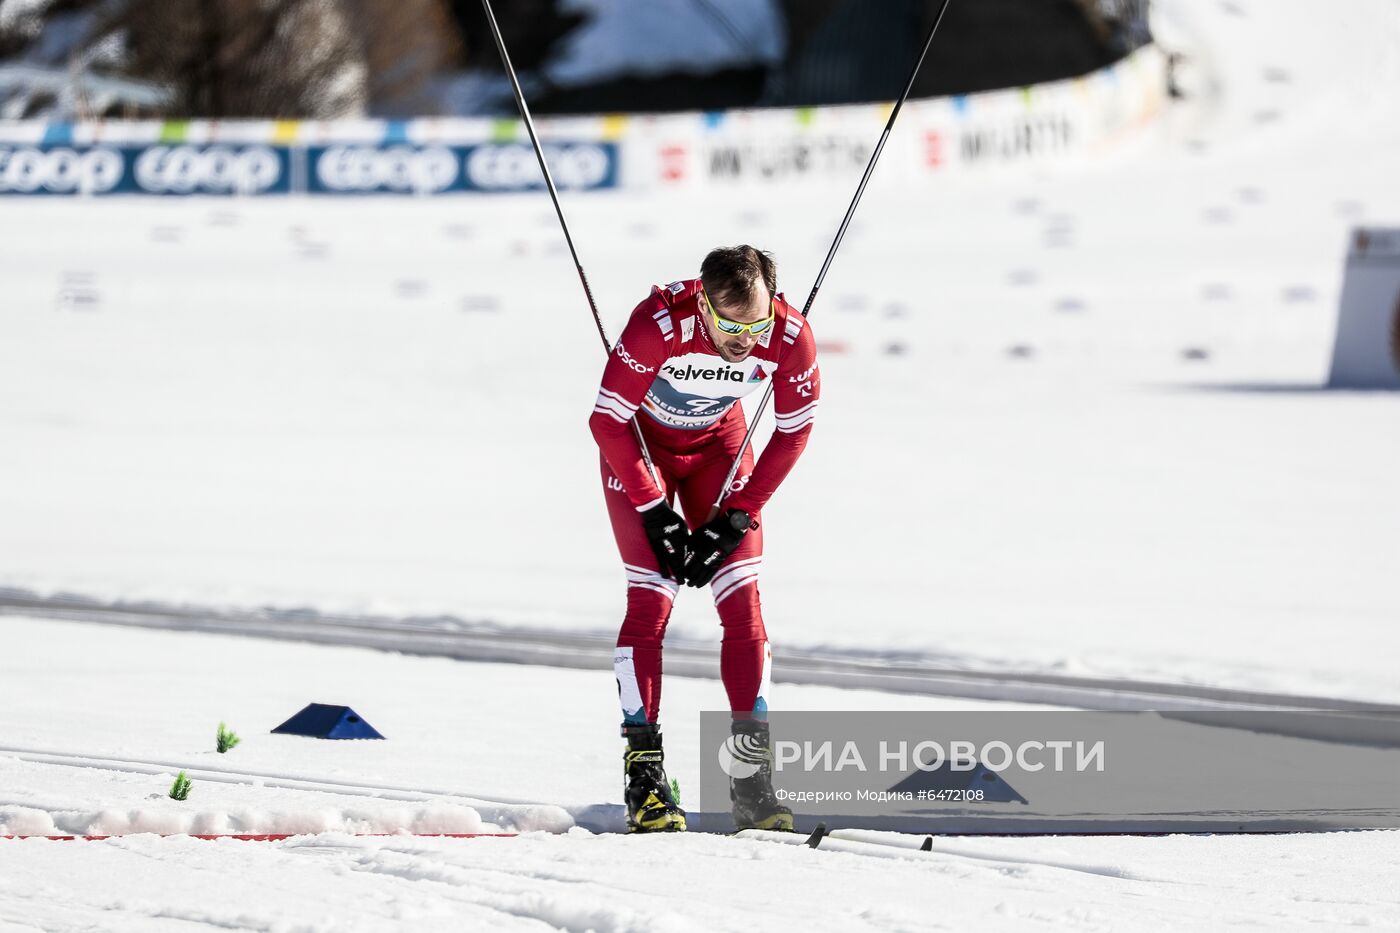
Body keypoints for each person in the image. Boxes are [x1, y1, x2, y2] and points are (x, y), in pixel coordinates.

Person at [588, 245, 821, 833]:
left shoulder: (791, 337)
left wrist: (739, 514)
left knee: (743, 602)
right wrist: (652, 509)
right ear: (702, 302)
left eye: (758, 325)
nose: (746, 341)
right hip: (642, 453)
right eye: (730, 327)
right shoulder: (658, 325)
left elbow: (794, 431)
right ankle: (645, 779)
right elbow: (605, 421)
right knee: (651, 600)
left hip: (720, 450)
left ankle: (751, 781)